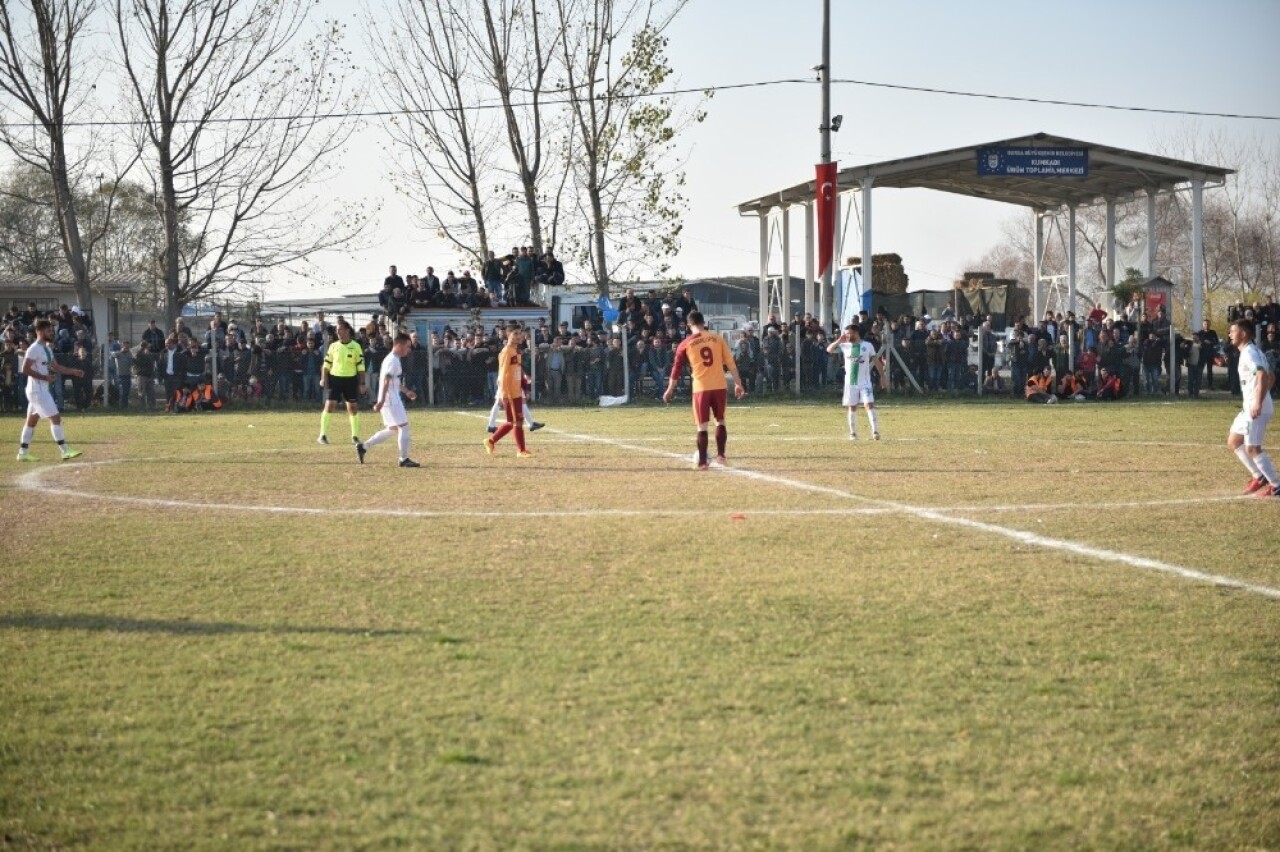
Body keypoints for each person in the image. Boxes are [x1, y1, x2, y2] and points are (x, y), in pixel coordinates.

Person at [662, 310, 746, 469]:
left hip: (701, 388)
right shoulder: (717, 339)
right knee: (720, 421)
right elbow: (730, 363)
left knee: (702, 425)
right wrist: (738, 384)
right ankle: (721, 456)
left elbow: (676, 369)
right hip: (719, 386)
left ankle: (702, 462)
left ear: (688, 325)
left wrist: (670, 389)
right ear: (704, 323)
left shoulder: (685, 344)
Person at [16, 319, 83, 462]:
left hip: (39, 389)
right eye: (48, 330)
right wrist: (44, 377)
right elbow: (25, 369)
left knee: (31, 422)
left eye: (52, 330)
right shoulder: (33, 348)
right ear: (39, 331)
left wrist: (73, 371)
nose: (51, 332)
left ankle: (23, 453)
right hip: (37, 390)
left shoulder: (47, 348)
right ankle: (65, 450)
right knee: (56, 418)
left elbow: (56, 367)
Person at [1227, 319, 1279, 497]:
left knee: (1252, 448)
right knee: (1234, 441)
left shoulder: (1250, 352)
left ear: (1243, 333)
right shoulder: (1252, 351)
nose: (1230, 335)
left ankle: (1276, 484)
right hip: (1249, 406)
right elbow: (1271, 377)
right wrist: (1261, 396)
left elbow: (1264, 375)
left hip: (1255, 407)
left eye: (1233, 331)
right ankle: (1259, 476)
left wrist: (1258, 401)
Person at [355, 333, 419, 467]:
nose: (408, 349)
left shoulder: (392, 359)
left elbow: (392, 381)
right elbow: (385, 381)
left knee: (393, 428)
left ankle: (364, 446)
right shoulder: (393, 360)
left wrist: (406, 391)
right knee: (404, 427)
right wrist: (382, 401)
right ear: (399, 345)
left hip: (389, 398)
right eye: (407, 346)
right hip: (391, 399)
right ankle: (403, 459)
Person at [827, 323, 885, 440]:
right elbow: (829, 349)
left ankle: (875, 431)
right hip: (850, 382)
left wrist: (882, 376)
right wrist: (839, 340)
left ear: (856, 333)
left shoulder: (867, 346)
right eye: (846, 334)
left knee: (869, 404)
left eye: (849, 334)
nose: (847, 336)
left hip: (865, 382)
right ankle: (853, 433)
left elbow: (877, 361)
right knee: (852, 407)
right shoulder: (845, 346)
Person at [484, 323, 533, 458]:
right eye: (515, 334)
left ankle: (491, 441)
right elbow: (503, 374)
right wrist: (507, 393)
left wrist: (524, 386)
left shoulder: (516, 351)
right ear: (508, 335)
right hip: (510, 392)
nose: (518, 336)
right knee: (517, 421)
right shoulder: (507, 352)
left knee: (513, 422)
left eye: (520, 333)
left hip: (516, 390)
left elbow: (517, 371)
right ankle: (521, 450)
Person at [318, 321, 365, 445]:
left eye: (340, 330)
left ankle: (355, 436)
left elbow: (360, 366)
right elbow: (326, 365)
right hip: (335, 380)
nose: (338, 332)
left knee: (353, 408)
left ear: (347, 330)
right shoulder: (333, 346)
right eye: (337, 330)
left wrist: (362, 383)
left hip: (350, 380)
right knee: (329, 406)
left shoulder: (356, 346)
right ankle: (322, 435)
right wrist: (323, 378)